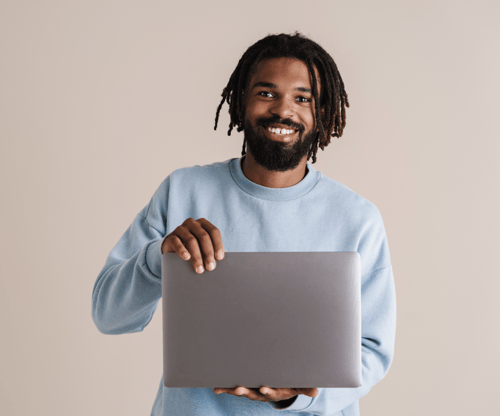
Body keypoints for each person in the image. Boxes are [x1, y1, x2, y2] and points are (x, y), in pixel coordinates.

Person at [92, 32, 396, 416]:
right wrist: (157, 259)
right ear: (240, 101)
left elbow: (373, 351)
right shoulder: (182, 190)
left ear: (321, 114)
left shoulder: (357, 219)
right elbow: (107, 315)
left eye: (303, 98)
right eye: (266, 93)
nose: (283, 111)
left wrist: (297, 395)